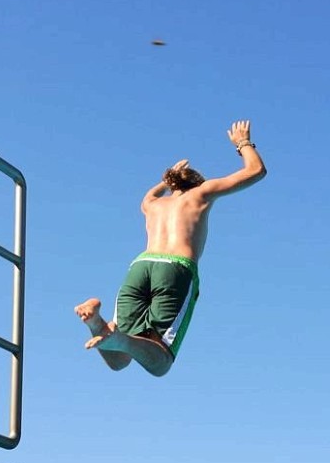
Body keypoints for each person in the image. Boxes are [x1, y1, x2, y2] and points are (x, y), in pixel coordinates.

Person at [75, 120, 267, 377]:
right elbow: (256, 170)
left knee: (119, 362)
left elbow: (149, 194)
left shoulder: (152, 204)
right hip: (176, 267)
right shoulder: (201, 193)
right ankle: (119, 338)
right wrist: (242, 142)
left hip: (141, 265)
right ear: (197, 183)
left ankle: (97, 324)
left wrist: (166, 180)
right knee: (161, 362)